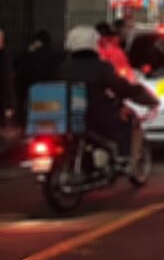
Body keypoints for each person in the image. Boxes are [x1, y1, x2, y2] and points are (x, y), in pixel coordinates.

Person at [56, 25, 158, 162]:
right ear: (95, 43)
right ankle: (123, 160)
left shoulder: (61, 69)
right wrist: (140, 94)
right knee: (125, 124)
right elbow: (121, 87)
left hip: (65, 117)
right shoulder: (102, 67)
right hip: (97, 117)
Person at [13, 31, 62, 127]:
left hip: (30, 97)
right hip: (52, 100)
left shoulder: (27, 55)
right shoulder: (56, 55)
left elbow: (17, 69)